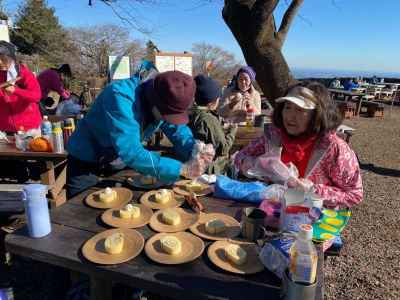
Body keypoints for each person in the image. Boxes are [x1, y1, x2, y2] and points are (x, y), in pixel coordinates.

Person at [66, 67, 214, 198]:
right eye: (166, 113)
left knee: (121, 207)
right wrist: (181, 168)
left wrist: (193, 148)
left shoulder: (163, 95)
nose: (167, 118)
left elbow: (176, 128)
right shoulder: (120, 97)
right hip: (85, 158)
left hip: (116, 160)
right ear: (154, 100)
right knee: (81, 212)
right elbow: (130, 150)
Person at [234, 81, 362, 209]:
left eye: (300, 109)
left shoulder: (334, 148)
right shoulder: (273, 136)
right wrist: (251, 165)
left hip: (312, 222)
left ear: (317, 114)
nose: (290, 116)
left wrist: (313, 190)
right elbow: (240, 157)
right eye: (288, 107)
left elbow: (355, 194)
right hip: (272, 211)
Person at [188, 74, 237, 174]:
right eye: (218, 97)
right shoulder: (208, 119)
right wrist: (232, 129)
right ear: (211, 101)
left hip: (192, 164)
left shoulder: (191, 113)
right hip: (209, 170)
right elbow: (223, 148)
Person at [0, 41, 42, 133]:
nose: (0, 62)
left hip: (29, 128)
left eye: (2, 59)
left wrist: (16, 90)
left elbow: (36, 96)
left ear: (10, 58)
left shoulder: (23, 73)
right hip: (5, 129)